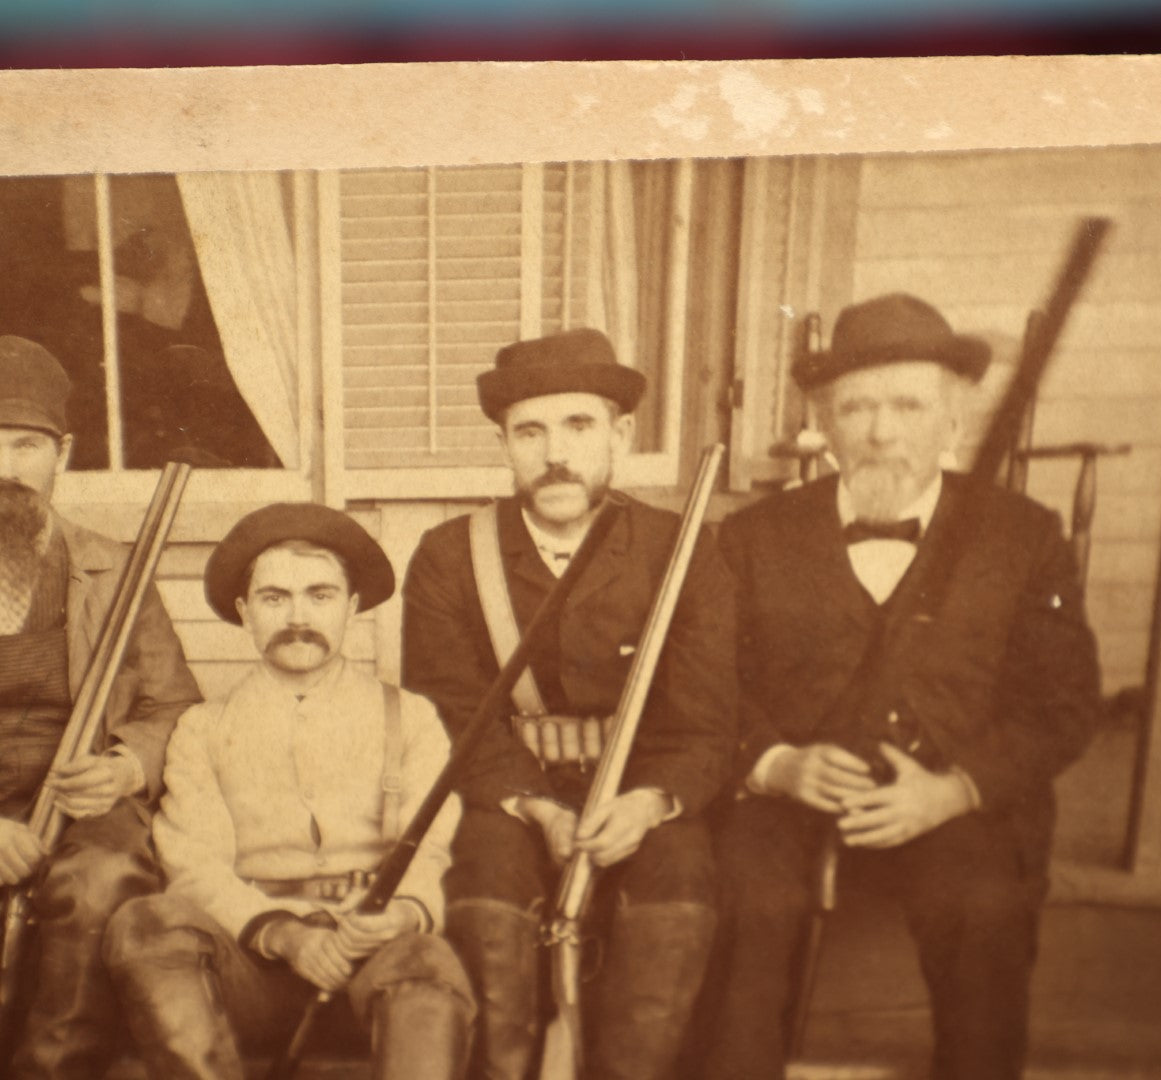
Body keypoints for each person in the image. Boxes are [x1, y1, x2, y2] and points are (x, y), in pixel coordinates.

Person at [696, 294, 1103, 1080]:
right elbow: (708, 686)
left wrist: (956, 790)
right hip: (790, 792)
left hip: (950, 791)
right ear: (824, 422)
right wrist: (775, 763)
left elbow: (1063, 705)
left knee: (983, 909)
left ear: (951, 422)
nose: (881, 431)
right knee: (748, 905)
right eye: (857, 407)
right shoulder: (753, 538)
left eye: (908, 405)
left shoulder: (1021, 535)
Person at [402, 327, 736, 1080]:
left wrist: (652, 801)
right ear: (504, 445)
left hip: (641, 791)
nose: (554, 452)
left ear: (619, 435)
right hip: (509, 795)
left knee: (681, 879)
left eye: (578, 426)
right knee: (483, 879)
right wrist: (537, 808)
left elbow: (706, 719)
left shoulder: (681, 548)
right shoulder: (451, 555)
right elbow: (450, 714)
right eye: (530, 431)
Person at [102, 503, 475, 1079]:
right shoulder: (203, 728)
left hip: (371, 959)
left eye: (320, 595)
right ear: (245, 612)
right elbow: (195, 867)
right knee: (145, 923)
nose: (298, 616)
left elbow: (430, 850)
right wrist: (281, 934)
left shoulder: (411, 718)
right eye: (275, 598)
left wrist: (400, 914)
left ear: (352, 608)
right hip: (249, 972)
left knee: (427, 962)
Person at [0, 335, 201, 1079]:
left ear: (65, 453)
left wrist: (123, 768)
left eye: (26, 444)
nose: (5, 467)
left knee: (104, 878)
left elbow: (174, 705)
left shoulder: (114, 568)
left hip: (79, 805)